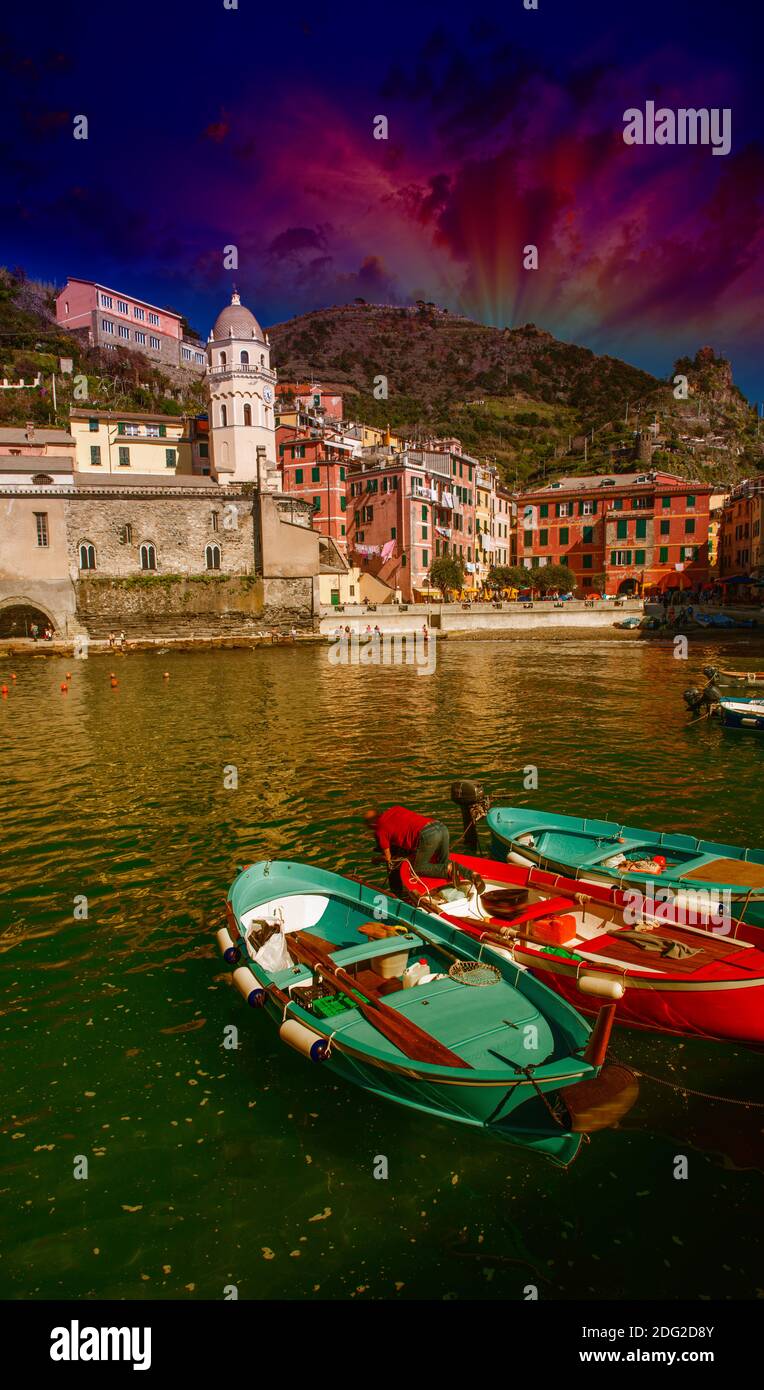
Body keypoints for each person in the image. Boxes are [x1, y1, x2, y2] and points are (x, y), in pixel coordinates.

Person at [364, 805, 452, 878]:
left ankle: (448, 869)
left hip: (428, 834)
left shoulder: (381, 830)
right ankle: (461, 873)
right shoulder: (396, 808)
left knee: (419, 868)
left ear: (372, 824)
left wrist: (376, 859)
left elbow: (388, 858)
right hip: (440, 826)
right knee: (442, 862)